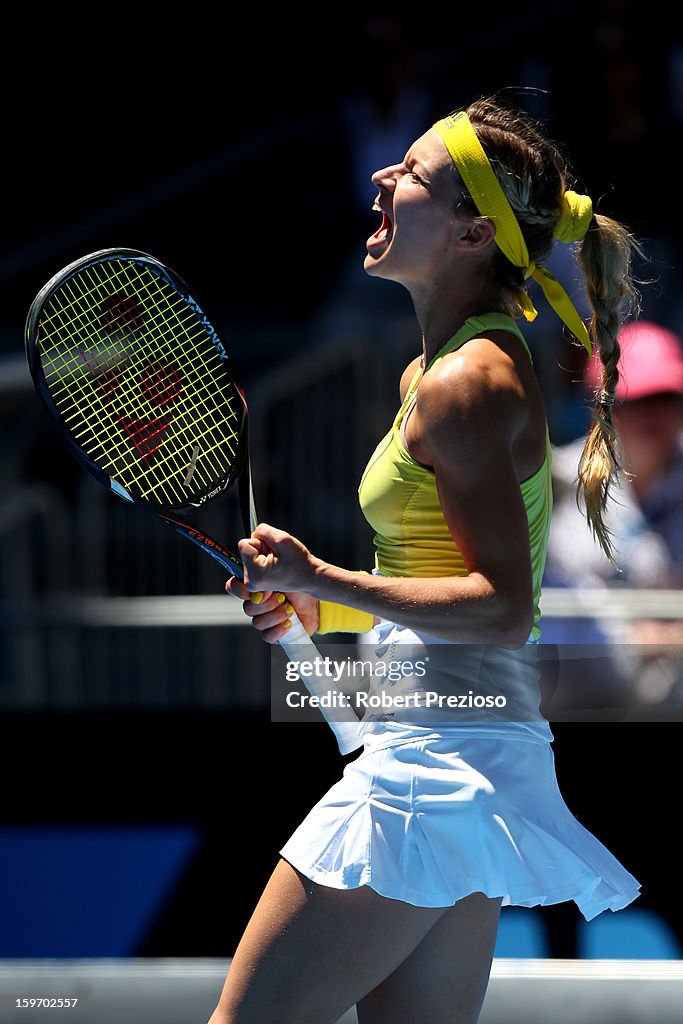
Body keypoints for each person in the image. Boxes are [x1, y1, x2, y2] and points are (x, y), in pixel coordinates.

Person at [207, 95, 642, 1024]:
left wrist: (319, 578)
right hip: (464, 748)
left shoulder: (464, 383)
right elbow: (444, 569)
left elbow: (497, 604)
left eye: (409, 174)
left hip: (433, 764)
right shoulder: (438, 371)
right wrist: (334, 611)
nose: (380, 178)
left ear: (472, 229)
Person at [543, 319, 683, 710]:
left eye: (667, 397)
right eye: (635, 400)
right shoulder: (560, 481)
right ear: (603, 411)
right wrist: (634, 634)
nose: (654, 415)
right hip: (584, 684)